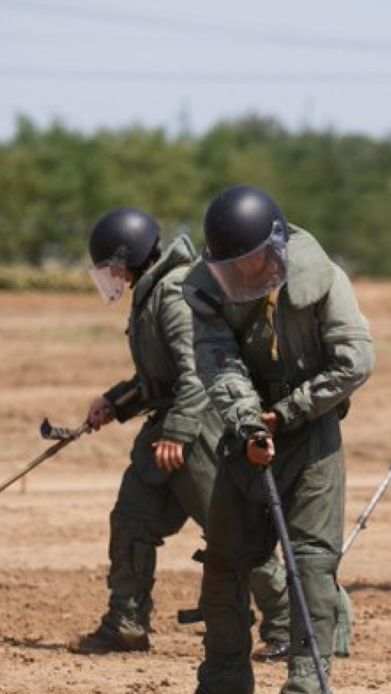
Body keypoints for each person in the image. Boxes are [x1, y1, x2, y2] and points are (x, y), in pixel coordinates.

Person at [166, 185, 374, 694]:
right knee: (224, 562)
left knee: (310, 567)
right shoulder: (209, 292)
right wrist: (250, 421)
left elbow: (356, 360)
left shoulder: (325, 279)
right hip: (247, 433)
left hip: (310, 438)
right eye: (232, 268)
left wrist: (288, 414)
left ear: (277, 245)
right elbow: (217, 360)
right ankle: (223, 685)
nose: (246, 276)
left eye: (253, 262)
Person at [67, 207, 291, 659]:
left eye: (112, 267)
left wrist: (180, 432)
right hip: (167, 434)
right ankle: (126, 623)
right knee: (132, 519)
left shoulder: (172, 293)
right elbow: (159, 378)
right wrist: (116, 402)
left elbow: (196, 373)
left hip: (198, 434)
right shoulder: (151, 293)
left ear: (130, 259)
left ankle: (288, 628)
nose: (110, 277)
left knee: (236, 533)